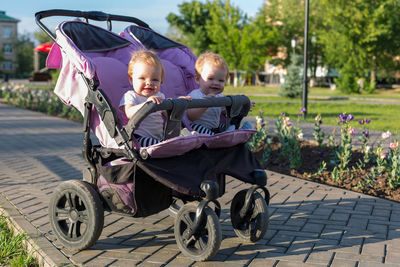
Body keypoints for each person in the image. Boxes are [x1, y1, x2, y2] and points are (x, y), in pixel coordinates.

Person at [120, 50, 191, 147]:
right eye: (142, 78)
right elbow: (129, 113)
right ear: (131, 79)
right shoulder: (130, 95)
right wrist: (147, 105)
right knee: (164, 145)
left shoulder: (160, 96)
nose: (149, 82)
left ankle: (188, 140)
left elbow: (168, 114)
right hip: (137, 139)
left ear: (161, 81)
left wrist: (178, 103)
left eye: (155, 79)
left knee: (174, 140)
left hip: (158, 138)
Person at [187, 52, 252, 135]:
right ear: (197, 79)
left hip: (214, 128)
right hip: (196, 129)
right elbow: (191, 116)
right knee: (196, 128)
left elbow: (226, 112)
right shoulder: (195, 95)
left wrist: (240, 108)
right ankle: (223, 136)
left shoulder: (219, 97)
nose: (216, 83)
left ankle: (238, 131)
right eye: (210, 78)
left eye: (221, 80)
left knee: (225, 125)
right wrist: (206, 103)